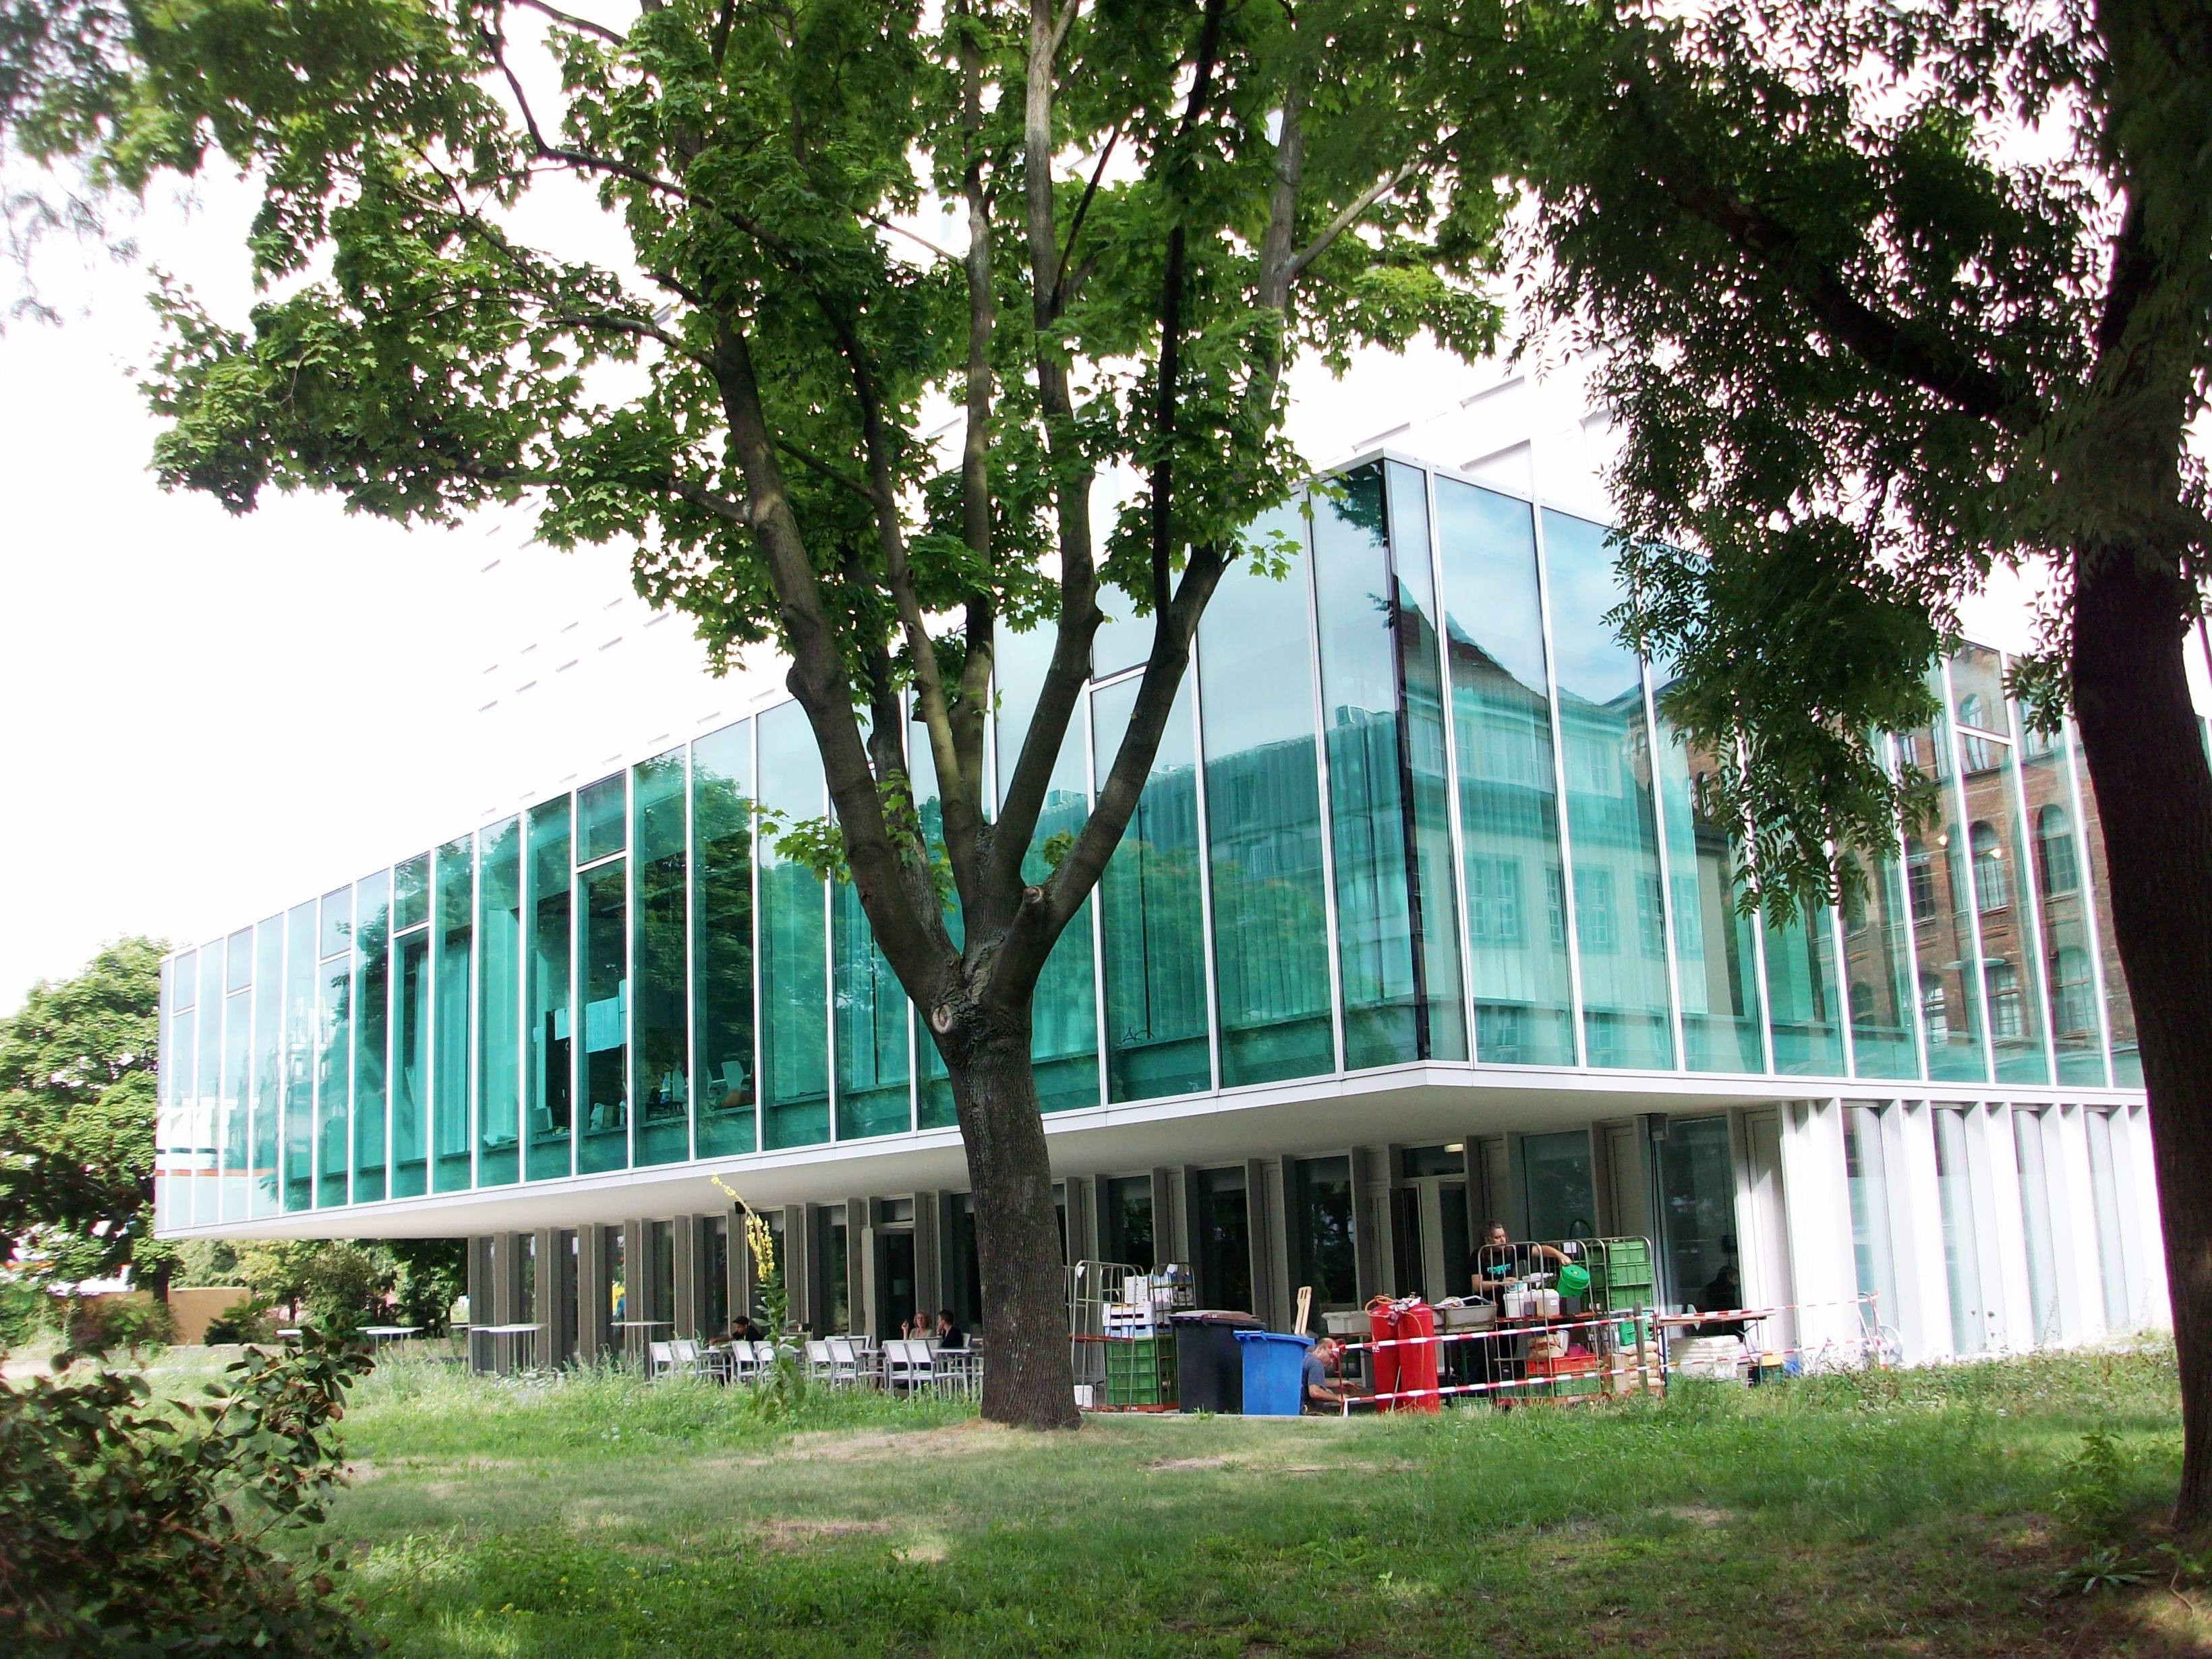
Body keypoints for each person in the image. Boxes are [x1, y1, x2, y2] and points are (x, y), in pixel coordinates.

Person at [1465, 1221, 1575, 1295]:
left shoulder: (1512, 1249)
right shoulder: (1478, 1255)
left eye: (1503, 1236)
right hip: (1489, 1301)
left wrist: (1559, 1255)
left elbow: (1539, 1249)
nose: (1503, 1240)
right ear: (1488, 1240)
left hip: (1510, 1298)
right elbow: (1477, 1285)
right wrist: (1501, 1282)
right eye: (1497, 1238)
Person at [1689, 1264, 1747, 1338]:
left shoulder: (1710, 1288)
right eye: (1735, 1279)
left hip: (1708, 1321)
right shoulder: (1726, 1289)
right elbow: (1727, 1307)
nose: (1737, 1283)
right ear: (1729, 1277)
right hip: (1717, 1322)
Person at [1302, 1335, 1345, 1411]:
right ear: (1320, 1349)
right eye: (1330, 1356)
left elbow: (1315, 1380)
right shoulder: (1316, 1364)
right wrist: (1337, 1398)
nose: (1332, 1361)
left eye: (1334, 1359)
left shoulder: (1305, 1356)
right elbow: (1315, 1392)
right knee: (1328, 1393)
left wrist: (1341, 1383)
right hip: (1303, 1403)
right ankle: (1311, 1412)